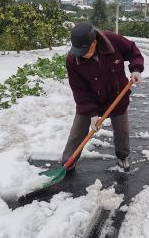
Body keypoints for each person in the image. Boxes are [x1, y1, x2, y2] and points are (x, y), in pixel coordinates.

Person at [62, 22, 144, 172]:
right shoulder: (72, 60)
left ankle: (123, 156)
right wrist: (91, 113)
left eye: (85, 50)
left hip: (117, 97)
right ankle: (67, 163)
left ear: (94, 42)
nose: (82, 54)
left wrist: (136, 69)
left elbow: (133, 51)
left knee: (122, 132)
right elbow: (79, 91)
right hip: (91, 101)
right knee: (77, 132)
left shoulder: (113, 41)